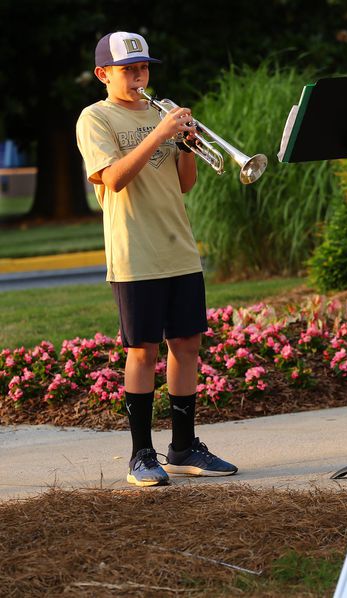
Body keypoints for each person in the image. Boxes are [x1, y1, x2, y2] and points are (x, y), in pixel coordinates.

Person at [76, 31, 237, 486]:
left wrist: (184, 144)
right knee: (141, 351)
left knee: (186, 347)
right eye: (129, 69)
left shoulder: (160, 113)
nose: (139, 76)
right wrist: (161, 133)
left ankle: (184, 448)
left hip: (179, 248)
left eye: (144, 67)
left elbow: (184, 184)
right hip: (134, 252)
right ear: (103, 74)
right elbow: (114, 178)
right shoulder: (95, 118)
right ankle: (141, 455)